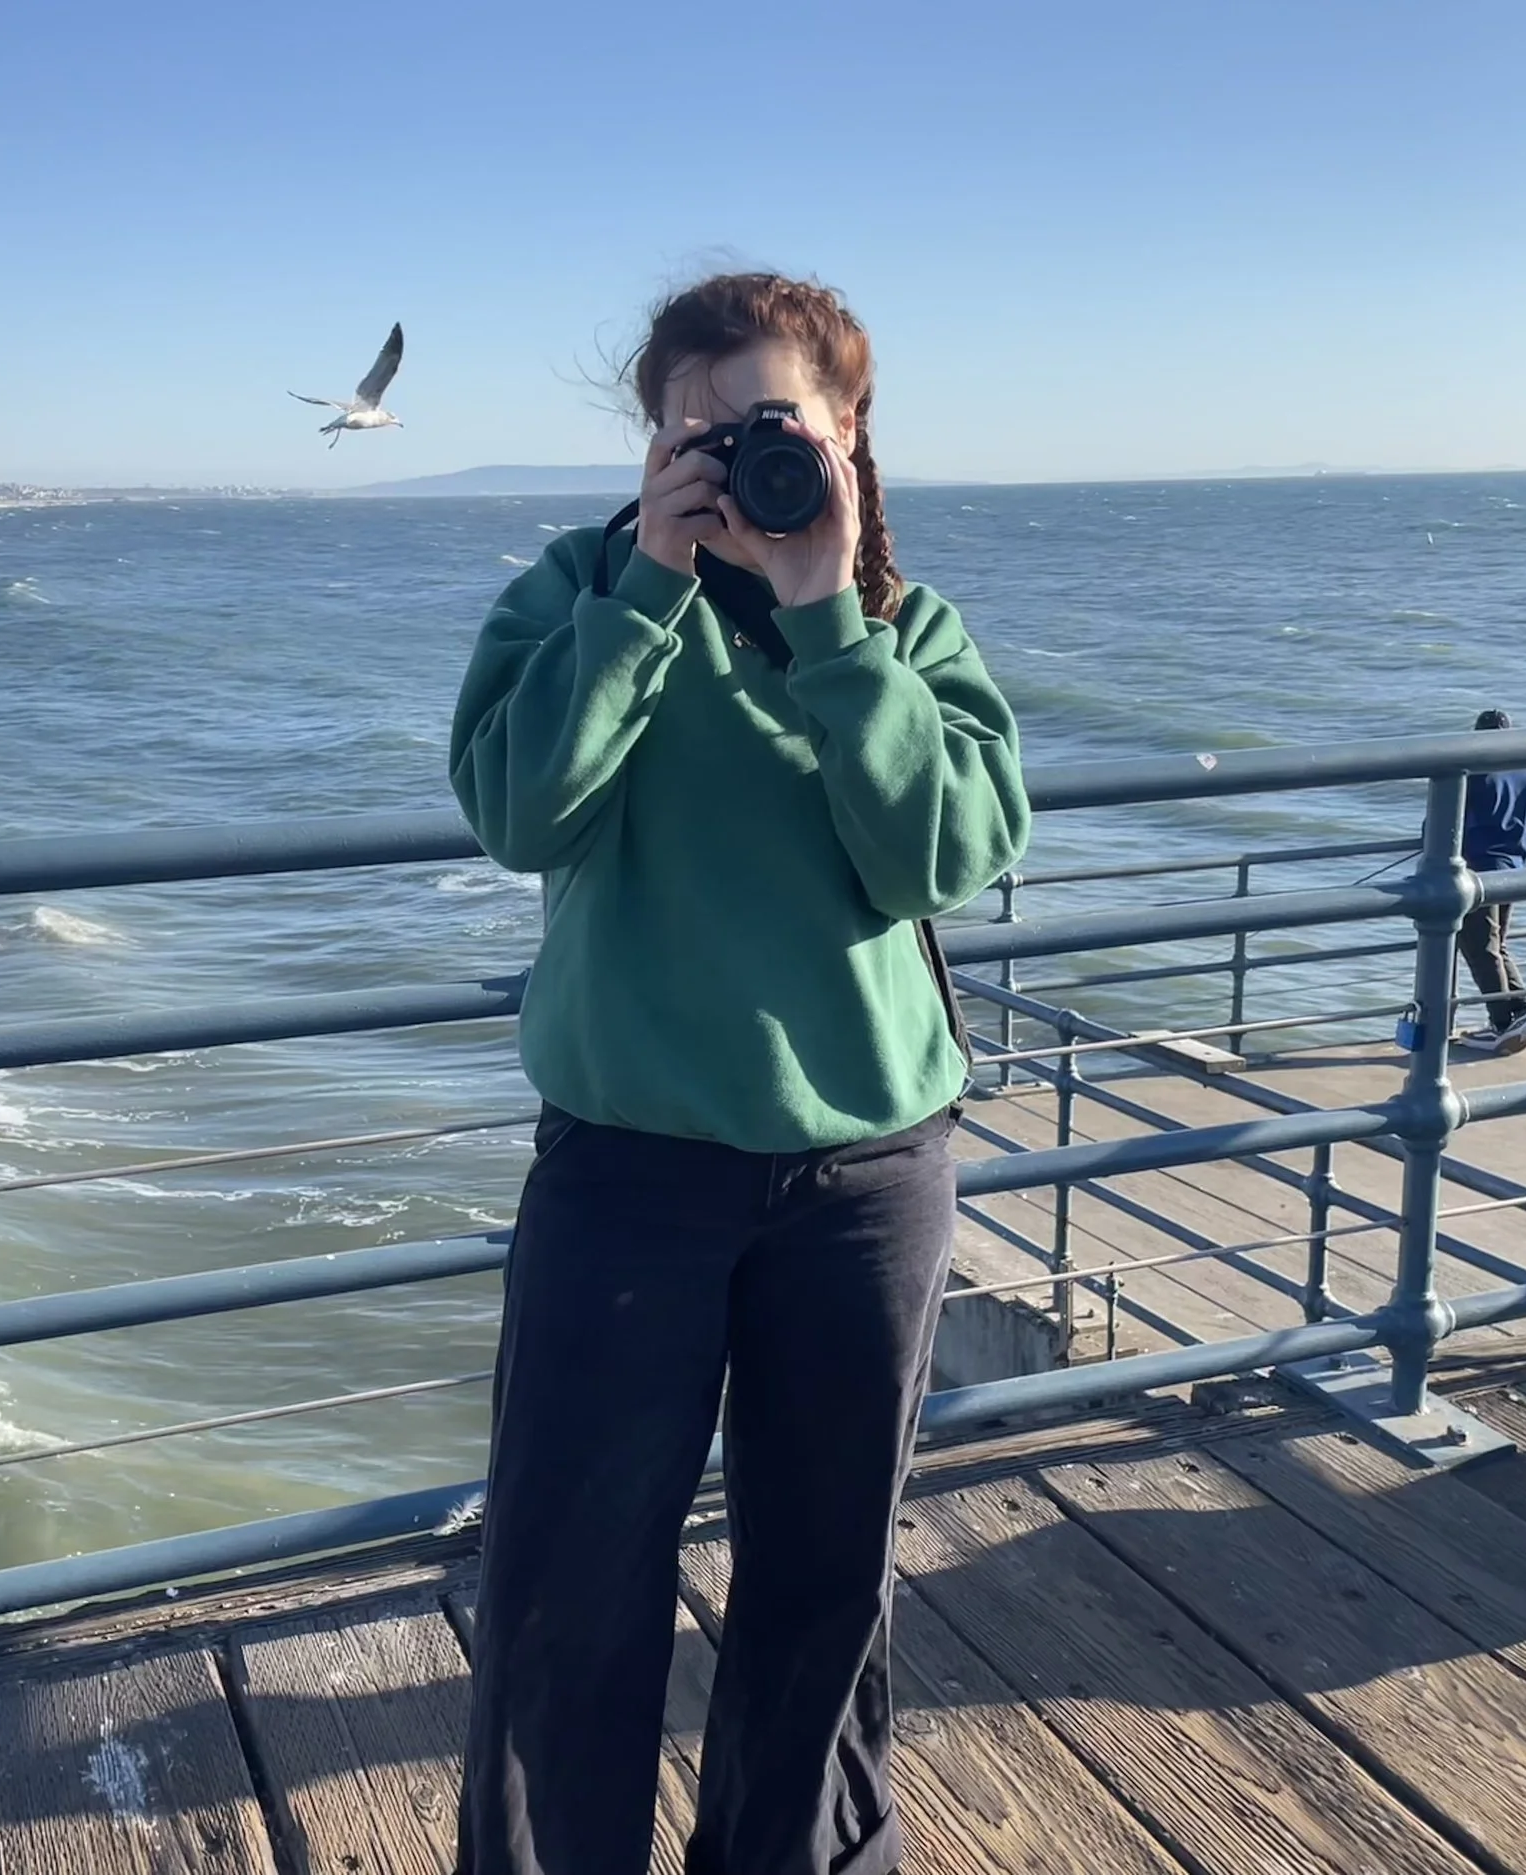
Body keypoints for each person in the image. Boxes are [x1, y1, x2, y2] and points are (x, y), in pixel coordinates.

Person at [445, 272, 1030, 1875]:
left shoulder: (907, 624)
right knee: (569, 1583)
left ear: (845, 435)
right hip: (627, 1173)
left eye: (768, 422)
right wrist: (644, 592)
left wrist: (831, 617)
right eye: (690, 429)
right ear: (647, 445)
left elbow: (946, 854)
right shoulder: (579, 588)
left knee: (825, 1581)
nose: (726, 456)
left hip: (863, 1183)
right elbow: (517, 811)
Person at [1460, 708, 1526, 1055]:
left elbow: (1451, 817)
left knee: (1479, 947)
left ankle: (1505, 1020)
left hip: (1477, 867)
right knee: (1496, 946)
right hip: (1512, 866)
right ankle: (1517, 1014)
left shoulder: (1475, 772)